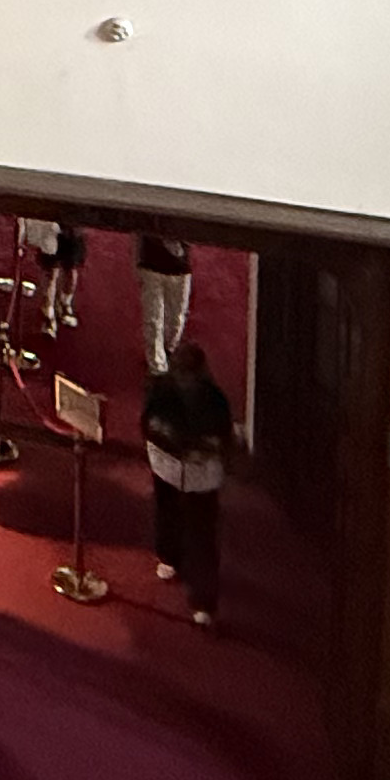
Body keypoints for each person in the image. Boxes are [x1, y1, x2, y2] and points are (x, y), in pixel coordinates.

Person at [142, 342, 233, 627]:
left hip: (200, 472)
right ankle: (169, 555)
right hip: (167, 464)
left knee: (202, 533)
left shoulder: (214, 399)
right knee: (167, 509)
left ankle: (203, 600)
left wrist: (202, 448)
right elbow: (148, 423)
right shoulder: (162, 389)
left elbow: (223, 437)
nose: (185, 381)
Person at [137, 233, 195, 374]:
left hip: (180, 270)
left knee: (177, 318)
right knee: (153, 317)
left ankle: (168, 350)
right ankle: (156, 367)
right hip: (151, 266)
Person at [21, 214, 80, 336]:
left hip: (71, 230)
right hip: (49, 228)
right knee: (51, 273)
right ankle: (48, 314)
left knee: (71, 270)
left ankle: (65, 303)